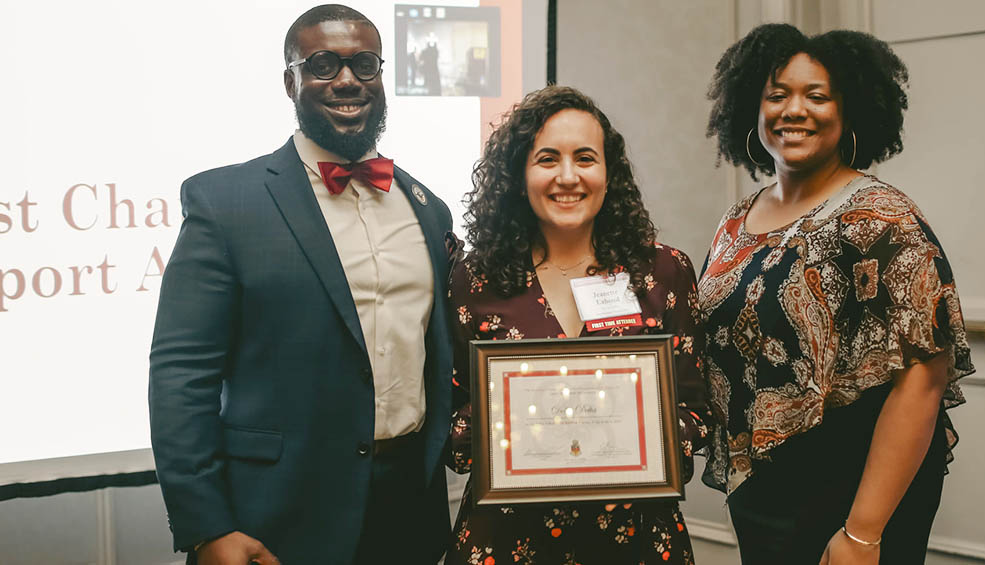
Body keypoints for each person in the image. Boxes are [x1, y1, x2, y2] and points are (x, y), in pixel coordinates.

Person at [148, 5, 454, 564]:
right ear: (290, 81)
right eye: (322, 64)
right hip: (276, 520)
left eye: (364, 64)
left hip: (410, 511)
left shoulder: (427, 208)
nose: (346, 81)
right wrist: (206, 526)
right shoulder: (226, 204)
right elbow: (181, 373)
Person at [698, 24, 973, 564]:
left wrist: (863, 532)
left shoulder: (881, 218)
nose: (794, 110)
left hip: (853, 495)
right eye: (777, 95)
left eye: (816, 96)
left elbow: (923, 377)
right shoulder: (736, 221)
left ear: (849, 112)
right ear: (751, 109)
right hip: (763, 490)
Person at [445, 86, 712, 565]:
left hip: (635, 541)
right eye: (547, 158)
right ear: (519, 175)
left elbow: (696, 413)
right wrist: (504, 426)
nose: (568, 177)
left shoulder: (663, 271)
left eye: (585, 158)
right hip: (507, 541)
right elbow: (451, 424)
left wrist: (646, 440)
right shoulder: (475, 280)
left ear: (609, 173)